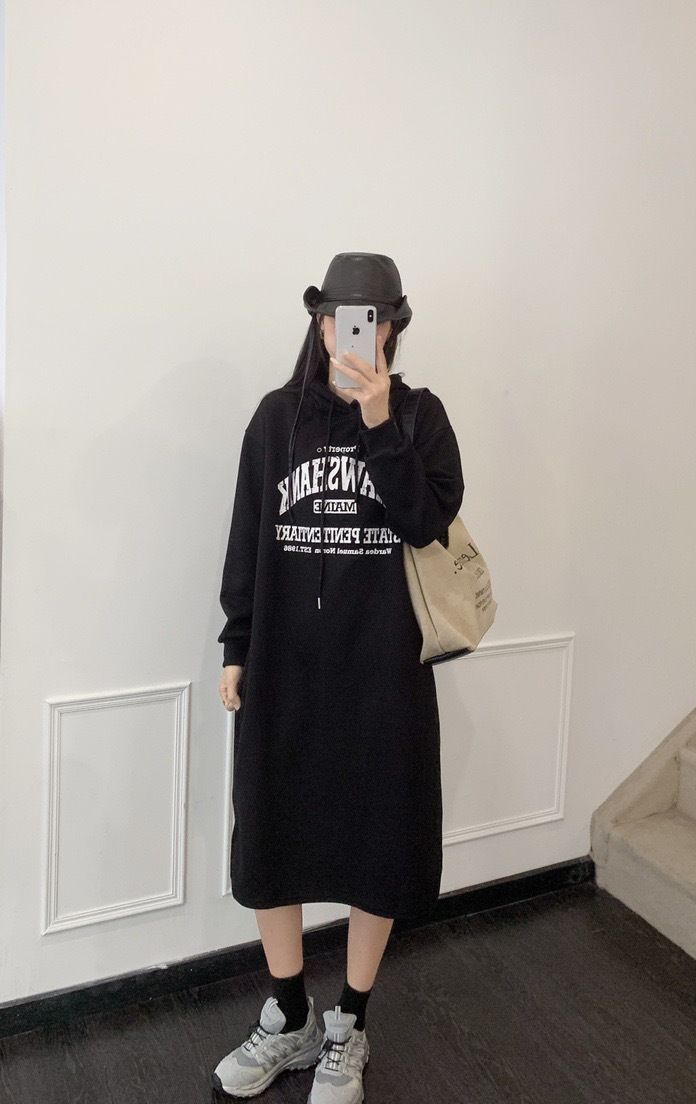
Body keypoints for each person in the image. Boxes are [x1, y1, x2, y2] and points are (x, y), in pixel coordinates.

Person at [211, 253, 465, 1101]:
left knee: (378, 846)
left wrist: (381, 422)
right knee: (270, 840)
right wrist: (237, 646)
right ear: (319, 325)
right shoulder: (274, 419)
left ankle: (349, 1023)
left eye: (371, 318)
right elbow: (247, 537)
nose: (351, 331)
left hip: (383, 677)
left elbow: (426, 523)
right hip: (284, 673)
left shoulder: (421, 418)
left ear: (392, 328)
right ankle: (290, 1014)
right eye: (336, 317)